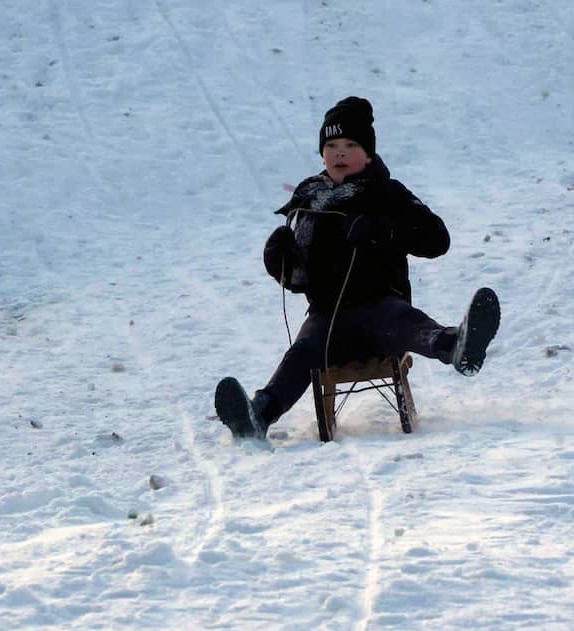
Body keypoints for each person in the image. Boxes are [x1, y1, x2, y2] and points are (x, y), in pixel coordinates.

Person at [214, 97, 501, 440]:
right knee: (302, 352)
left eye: (350, 145)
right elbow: (299, 277)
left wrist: (385, 231)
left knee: (400, 319)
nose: (339, 153)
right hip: (328, 321)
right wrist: (280, 262)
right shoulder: (310, 201)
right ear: (322, 154)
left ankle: (455, 345)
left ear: (367, 154)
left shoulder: (388, 193)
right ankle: (259, 414)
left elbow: (438, 240)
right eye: (332, 145)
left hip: (381, 311)